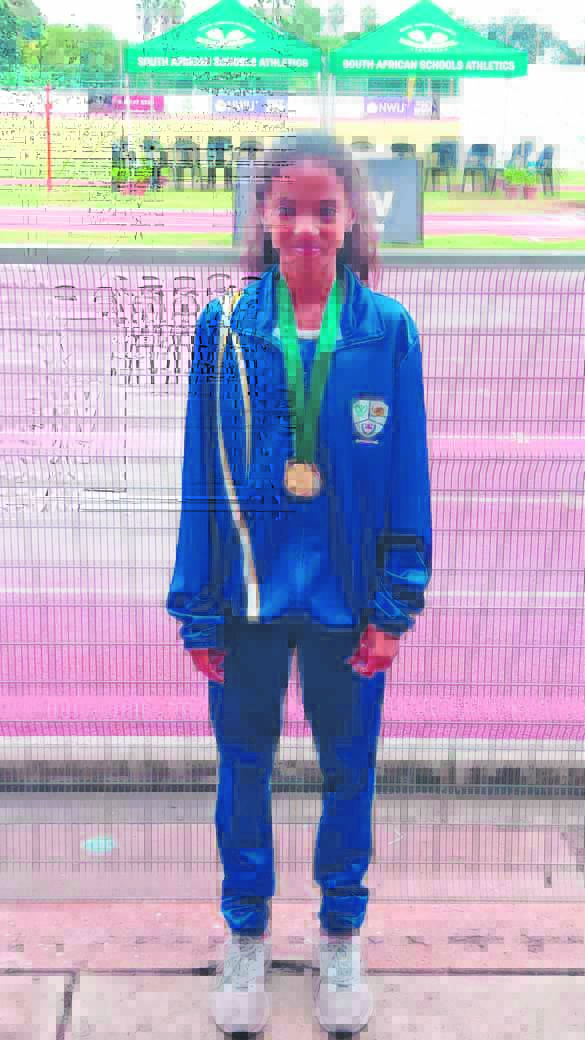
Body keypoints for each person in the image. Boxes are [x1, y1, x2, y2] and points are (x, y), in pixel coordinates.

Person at [166, 130, 432, 1034]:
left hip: (348, 605)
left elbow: (406, 473)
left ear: (351, 215)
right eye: (289, 209)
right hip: (245, 598)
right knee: (243, 768)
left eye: (324, 209)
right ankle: (245, 935)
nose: (307, 227)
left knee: (347, 771)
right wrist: (197, 606)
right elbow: (201, 471)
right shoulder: (223, 328)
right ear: (264, 216)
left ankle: (340, 934)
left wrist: (395, 601)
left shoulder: (387, 332)